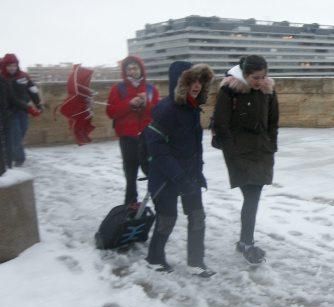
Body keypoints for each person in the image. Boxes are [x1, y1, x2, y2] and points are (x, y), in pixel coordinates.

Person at [143, 61, 215, 278]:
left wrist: (197, 173)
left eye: (200, 81)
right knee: (167, 218)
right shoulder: (166, 109)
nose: (197, 85)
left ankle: (196, 261)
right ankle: (154, 257)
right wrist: (178, 175)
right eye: (191, 80)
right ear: (180, 82)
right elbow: (156, 147)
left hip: (188, 176)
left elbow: (194, 148)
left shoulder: (193, 108)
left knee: (197, 216)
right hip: (165, 177)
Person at [211, 55, 279, 264]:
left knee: (253, 196)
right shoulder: (229, 90)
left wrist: (271, 145)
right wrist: (232, 153)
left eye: (263, 77)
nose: (259, 81)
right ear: (245, 74)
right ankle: (246, 242)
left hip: (261, 151)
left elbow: (273, 121)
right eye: (255, 77)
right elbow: (222, 124)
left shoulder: (267, 90)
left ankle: (244, 241)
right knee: (251, 195)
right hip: (239, 153)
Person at [106, 56, 159, 205]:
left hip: (147, 136)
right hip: (128, 137)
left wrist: (146, 104)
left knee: (152, 171)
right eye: (129, 68)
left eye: (135, 68)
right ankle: (131, 203)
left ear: (141, 69)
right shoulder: (118, 89)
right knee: (130, 174)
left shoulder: (150, 89)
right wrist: (129, 103)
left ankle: (158, 199)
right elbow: (111, 112)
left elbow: (157, 112)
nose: (132, 71)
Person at [0, 53, 41, 167]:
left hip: (23, 111)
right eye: (9, 66)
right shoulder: (2, 78)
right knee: (16, 135)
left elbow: (32, 90)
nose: (12, 68)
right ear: (4, 66)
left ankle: (12, 153)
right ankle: (19, 158)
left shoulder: (23, 76)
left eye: (14, 65)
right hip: (9, 112)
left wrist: (38, 104)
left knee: (21, 133)